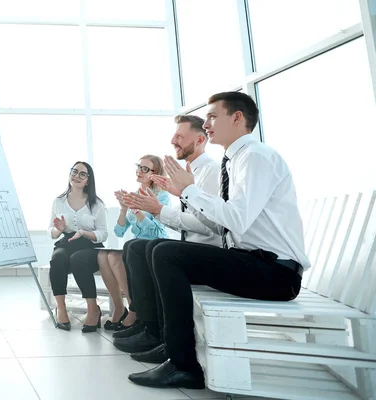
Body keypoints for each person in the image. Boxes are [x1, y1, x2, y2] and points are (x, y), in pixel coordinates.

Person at [127, 92, 310, 390]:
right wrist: (183, 193)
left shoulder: (256, 157)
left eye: (213, 116)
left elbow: (236, 219)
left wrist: (190, 192)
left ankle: (182, 364)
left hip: (277, 273)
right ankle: (172, 350)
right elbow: (218, 222)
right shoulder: (235, 160)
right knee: (161, 250)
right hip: (254, 262)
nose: (207, 123)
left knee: (165, 253)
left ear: (237, 118)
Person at [112, 115, 221, 361]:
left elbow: (211, 226)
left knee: (152, 249)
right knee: (135, 246)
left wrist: (157, 210)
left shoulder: (211, 172)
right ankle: (149, 325)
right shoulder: (188, 174)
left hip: (206, 251)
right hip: (190, 246)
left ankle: (159, 334)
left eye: (180, 136)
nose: (173, 141)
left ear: (201, 139)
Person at [97, 155, 171, 332]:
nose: (139, 171)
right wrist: (124, 209)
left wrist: (136, 209)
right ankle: (125, 306)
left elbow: (156, 232)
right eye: (139, 167)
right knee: (103, 255)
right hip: (134, 246)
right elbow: (119, 232)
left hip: (153, 246)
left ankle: (134, 310)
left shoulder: (162, 197)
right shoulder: (134, 195)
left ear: (155, 173)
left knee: (115, 257)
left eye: (145, 169)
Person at [48, 161, 108, 333]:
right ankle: (61, 308)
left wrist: (83, 232)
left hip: (89, 245)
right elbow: (50, 230)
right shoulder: (58, 201)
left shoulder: (96, 204)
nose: (77, 176)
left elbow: (103, 233)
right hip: (66, 242)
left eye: (83, 174)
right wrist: (57, 230)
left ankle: (93, 309)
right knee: (58, 258)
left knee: (78, 260)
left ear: (88, 180)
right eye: (74, 172)